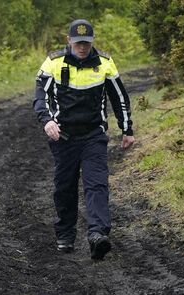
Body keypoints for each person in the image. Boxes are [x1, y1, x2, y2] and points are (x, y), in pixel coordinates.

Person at [33, 19, 135, 260]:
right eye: (78, 43)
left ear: (92, 42)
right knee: (64, 186)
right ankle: (65, 235)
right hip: (63, 136)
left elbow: (119, 98)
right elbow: (41, 96)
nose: (82, 47)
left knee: (96, 184)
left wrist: (127, 129)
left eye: (86, 43)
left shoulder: (105, 63)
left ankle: (98, 234)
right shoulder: (54, 62)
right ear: (69, 41)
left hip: (93, 135)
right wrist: (47, 120)